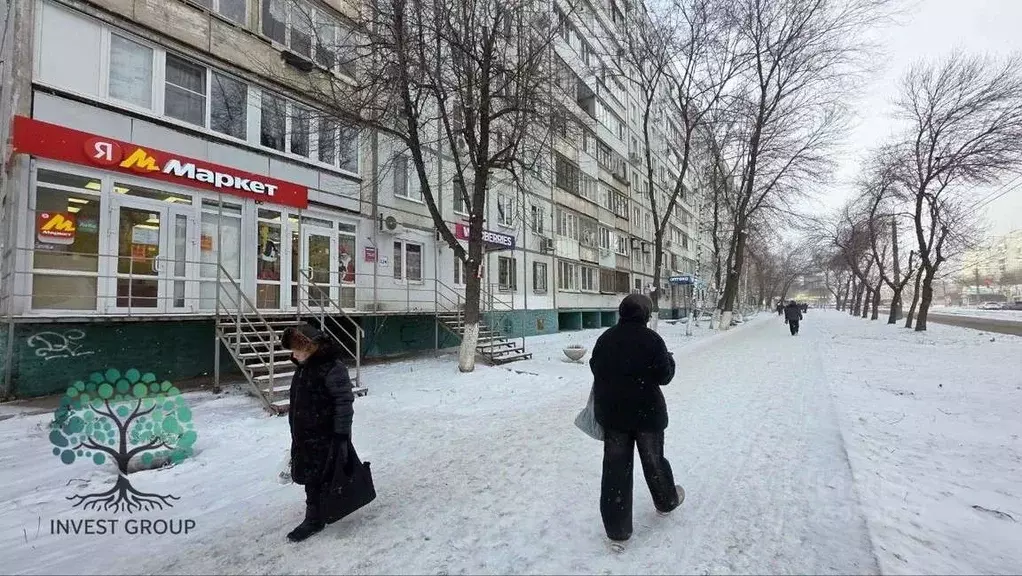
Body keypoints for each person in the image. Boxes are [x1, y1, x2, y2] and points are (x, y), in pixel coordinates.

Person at [590, 294, 683, 546]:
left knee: (615, 469)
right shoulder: (652, 340)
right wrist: (670, 360)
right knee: (653, 461)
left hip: (614, 415)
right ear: (645, 314)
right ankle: (666, 501)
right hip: (647, 415)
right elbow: (664, 376)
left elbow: (595, 367)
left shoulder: (606, 338)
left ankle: (617, 529)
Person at [281, 324, 355, 543]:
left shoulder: (332, 367)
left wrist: (341, 434)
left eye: (297, 349)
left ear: (311, 347)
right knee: (312, 475)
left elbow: (344, 401)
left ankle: (314, 518)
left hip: (326, 434)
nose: (294, 354)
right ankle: (321, 510)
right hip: (304, 434)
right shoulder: (304, 367)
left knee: (319, 477)